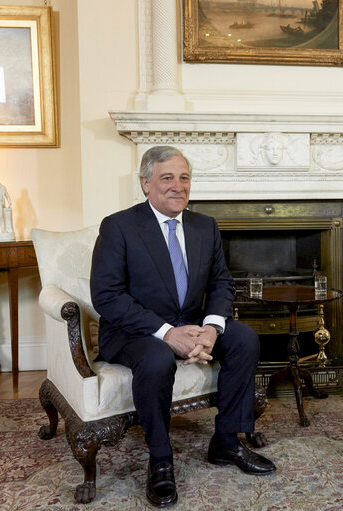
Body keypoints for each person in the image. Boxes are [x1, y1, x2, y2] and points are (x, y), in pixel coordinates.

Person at [90, 145, 276, 508]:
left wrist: (210, 328)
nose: (178, 186)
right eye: (167, 178)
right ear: (146, 184)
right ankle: (160, 459)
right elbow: (107, 296)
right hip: (134, 332)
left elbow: (222, 283)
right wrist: (166, 333)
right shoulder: (119, 226)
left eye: (184, 177)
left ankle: (226, 441)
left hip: (191, 323)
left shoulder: (205, 225)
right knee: (158, 359)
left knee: (244, 339)